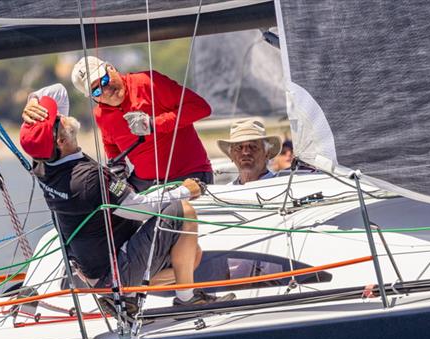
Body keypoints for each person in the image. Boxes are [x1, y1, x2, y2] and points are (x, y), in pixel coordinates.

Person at [19, 92, 234, 310]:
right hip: (114, 270)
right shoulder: (87, 178)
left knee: (192, 257)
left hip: (95, 274)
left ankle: (119, 295)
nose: (60, 115)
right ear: (62, 140)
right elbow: (140, 210)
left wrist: (33, 102)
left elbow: (59, 94)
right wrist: (184, 191)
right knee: (183, 211)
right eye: (56, 119)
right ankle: (187, 300)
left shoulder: (44, 164)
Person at [57, 56, 212, 192]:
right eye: (96, 91)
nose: (106, 90)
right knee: (105, 214)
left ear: (111, 68)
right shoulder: (101, 115)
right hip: (147, 184)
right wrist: (119, 166)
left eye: (104, 80)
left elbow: (202, 108)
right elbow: (110, 144)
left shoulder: (148, 82)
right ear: (92, 97)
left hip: (190, 176)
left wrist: (153, 124)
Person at [217, 118, 282, 185]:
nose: (245, 152)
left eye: (253, 147)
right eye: (239, 147)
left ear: (267, 153)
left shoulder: (281, 186)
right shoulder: (226, 191)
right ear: (231, 155)